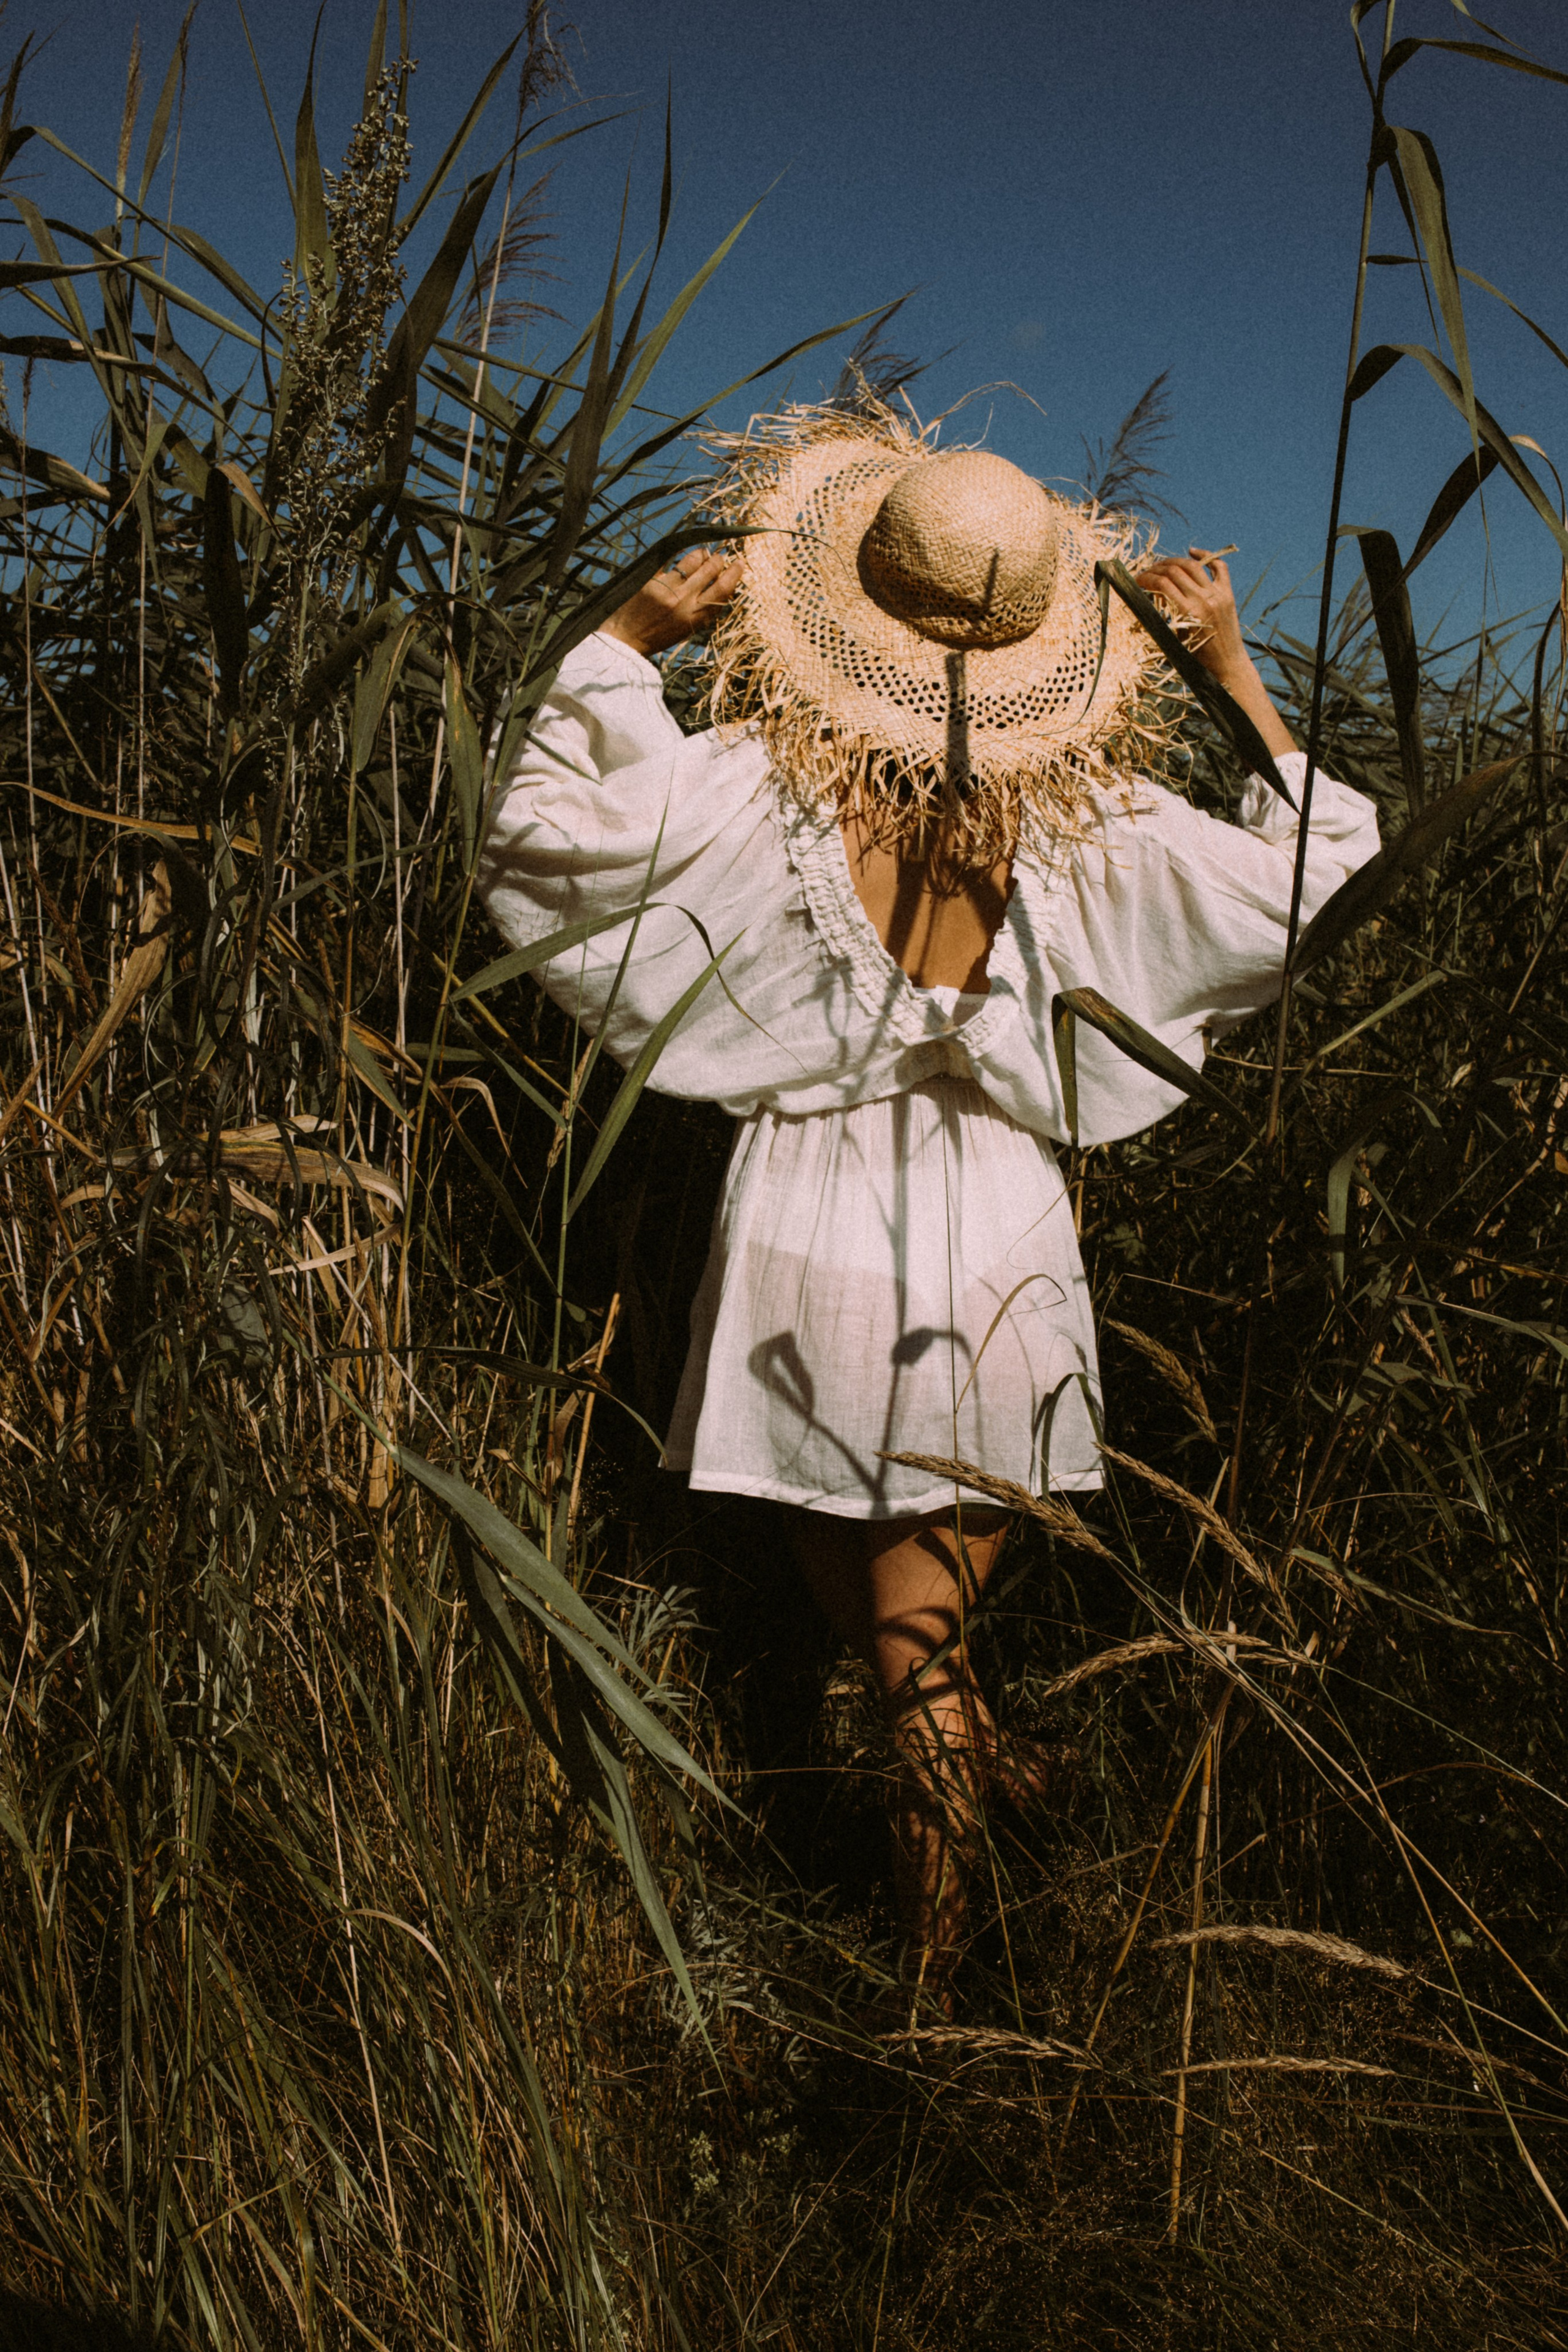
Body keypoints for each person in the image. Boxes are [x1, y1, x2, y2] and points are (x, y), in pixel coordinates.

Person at [477, 400, 1379, 1997]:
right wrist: (1228, 663)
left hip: (807, 1237)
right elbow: (1320, 865)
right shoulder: (1093, 829)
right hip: (996, 1239)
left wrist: (623, 629)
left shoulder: (758, 792)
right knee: (917, 1651)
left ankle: (934, 1996)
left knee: (907, 1653)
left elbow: (545, 825)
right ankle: (971, 1907)